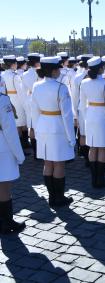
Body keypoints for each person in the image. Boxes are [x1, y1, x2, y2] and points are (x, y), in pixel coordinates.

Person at [31, 56, 75, 207]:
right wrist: (72, 138)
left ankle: (52, 197)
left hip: (43, 125)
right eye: (59, 68)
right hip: (58, 128)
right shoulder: (61, 88)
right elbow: (67, 116)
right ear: (54, 70)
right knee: (59, 164)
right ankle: (59, 197)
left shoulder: (37, 86)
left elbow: (34, 111)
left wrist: (37, 131)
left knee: (48, 163)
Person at [80, 56, 105, 188]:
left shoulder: (84, 82)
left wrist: (86, 118)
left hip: (90, 116)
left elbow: (82, 105)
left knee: (92, 147)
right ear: (100, 68)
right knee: (102, 148)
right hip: (103, 117)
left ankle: (94, 179)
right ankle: (100, 179)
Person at [0, 76, 26, 234]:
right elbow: (10, 131)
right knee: (3, 186)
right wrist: (19, 155)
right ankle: (6, 222)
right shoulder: (2, 101)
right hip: (2, 148)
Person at [1, 55, 27, 151]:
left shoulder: (2, 75)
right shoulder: (15, 76)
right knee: (19, 124)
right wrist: (25, 105)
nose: (16, 65)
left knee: (12, 124)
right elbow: (20, 92)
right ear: (12, 64)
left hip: (5, 100)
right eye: (15, 63)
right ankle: (21, 147)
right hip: (16, 100)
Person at [72, 54, 93, 165]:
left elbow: (75, 96)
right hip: (94, 107)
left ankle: (86, 157)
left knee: (83, 133)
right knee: (92, 133)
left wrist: (76, 111)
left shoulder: (77, 77)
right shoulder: (95, 77)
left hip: (81, 107)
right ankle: (92, 156)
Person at [21, 53, 41, 156]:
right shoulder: (40, 72)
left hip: (29, 100)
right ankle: (40, 151)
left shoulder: (24, 74)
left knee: (32, 126)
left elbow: (23, 89)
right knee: (39, 126)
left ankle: (35, 153)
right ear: (37, 62)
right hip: (39, 101)